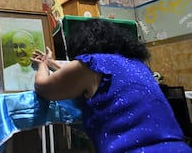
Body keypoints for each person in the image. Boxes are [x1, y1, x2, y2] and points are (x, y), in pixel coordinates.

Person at [31, 19, 192, 153]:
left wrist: (43, 65)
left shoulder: (91, 63)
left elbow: (44, 88)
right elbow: (87, 78)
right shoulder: (138, 66)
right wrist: (53, 64)